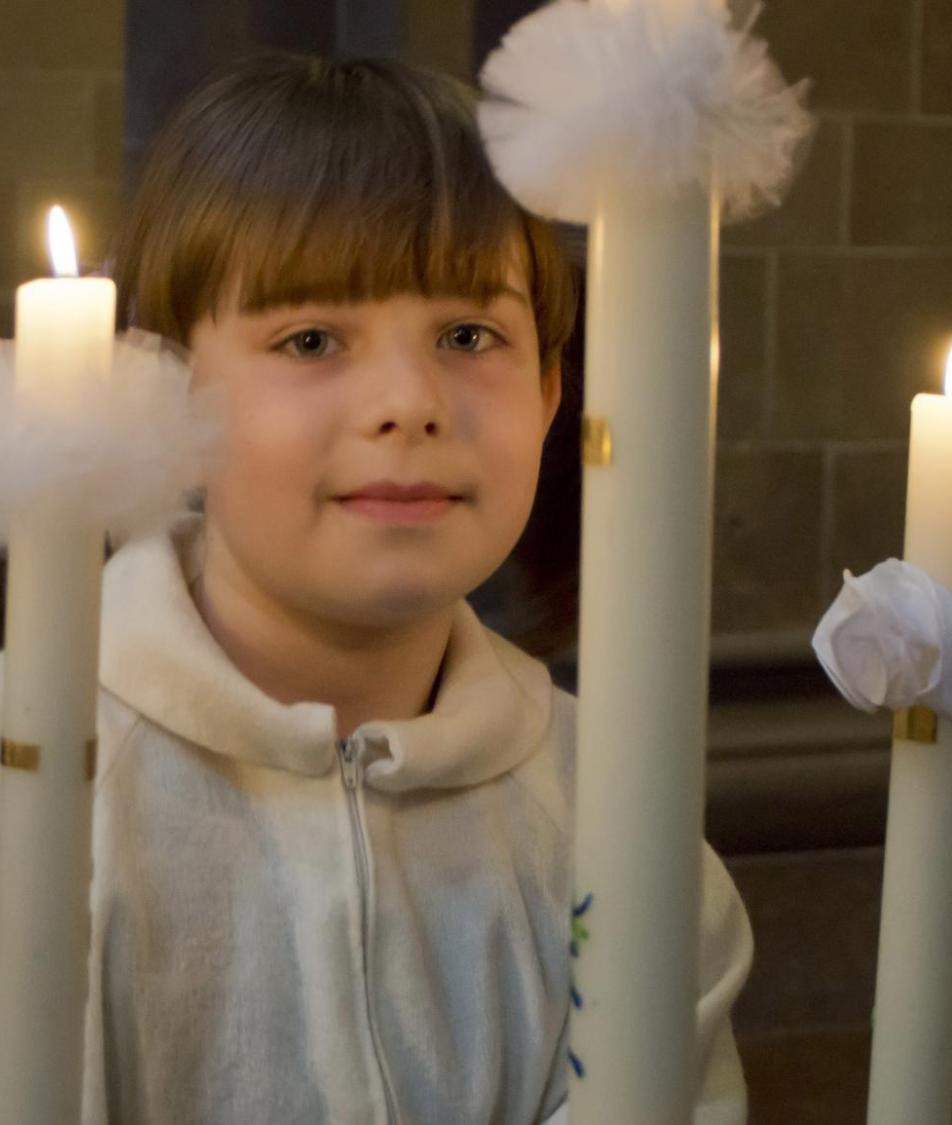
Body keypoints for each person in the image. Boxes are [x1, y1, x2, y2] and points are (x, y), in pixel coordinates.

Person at [68, 52, 750, 1123]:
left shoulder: (618, 812)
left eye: (469, 336)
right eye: (310, 338)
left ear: (552, 390)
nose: (409, 401)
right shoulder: (50, 784)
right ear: (164, 391)